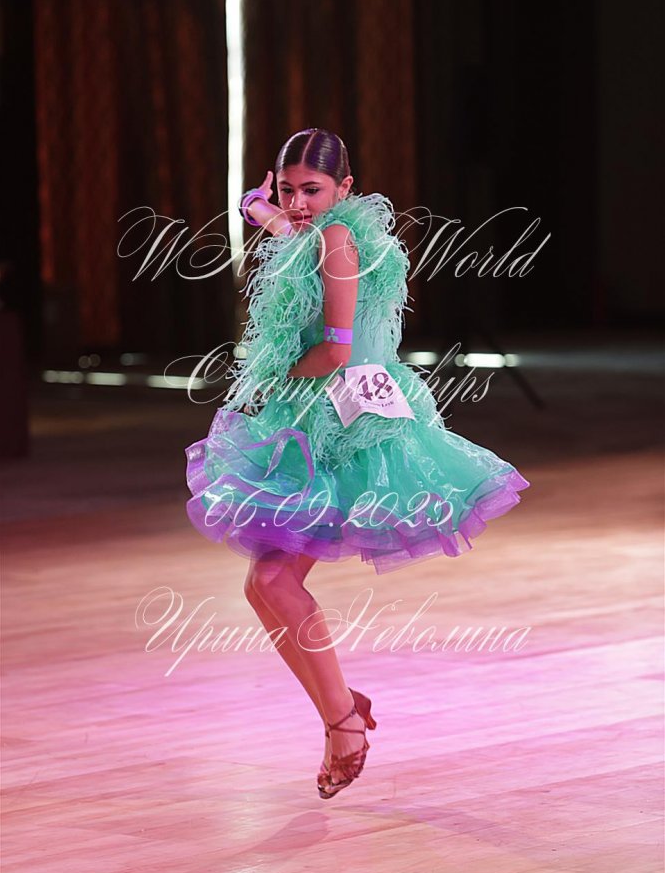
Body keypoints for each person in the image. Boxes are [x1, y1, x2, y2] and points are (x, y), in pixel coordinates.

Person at [185, 127, 530, 799]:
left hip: (345, 423)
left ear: (345, 188)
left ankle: (343, 719)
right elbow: (277, 221)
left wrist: (269, 381)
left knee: (272, 580)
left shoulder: (338, 240)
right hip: (325, 411)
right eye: (289, 189)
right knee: (263, 584)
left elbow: (336, 352)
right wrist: (259, 204)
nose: (297, 203)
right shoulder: (313, 228)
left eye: (312, 190)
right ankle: (341, 709)